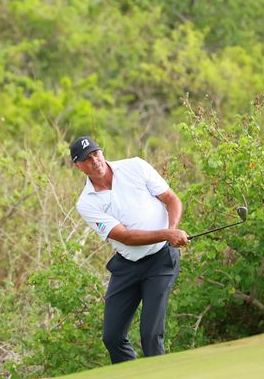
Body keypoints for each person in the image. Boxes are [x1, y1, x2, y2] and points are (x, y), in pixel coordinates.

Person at [70, 135, 190, 364]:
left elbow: (172, 199)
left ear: (101, 152)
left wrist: (172, 230)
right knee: (112, 337)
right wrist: (168, 234)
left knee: (151, 335)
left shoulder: (135, 166)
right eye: (86, 158)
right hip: (127, 267)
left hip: (161, 259)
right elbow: (125, 237)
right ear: (78, 165)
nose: (94, 160)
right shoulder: (86, 202)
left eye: (96, 153)